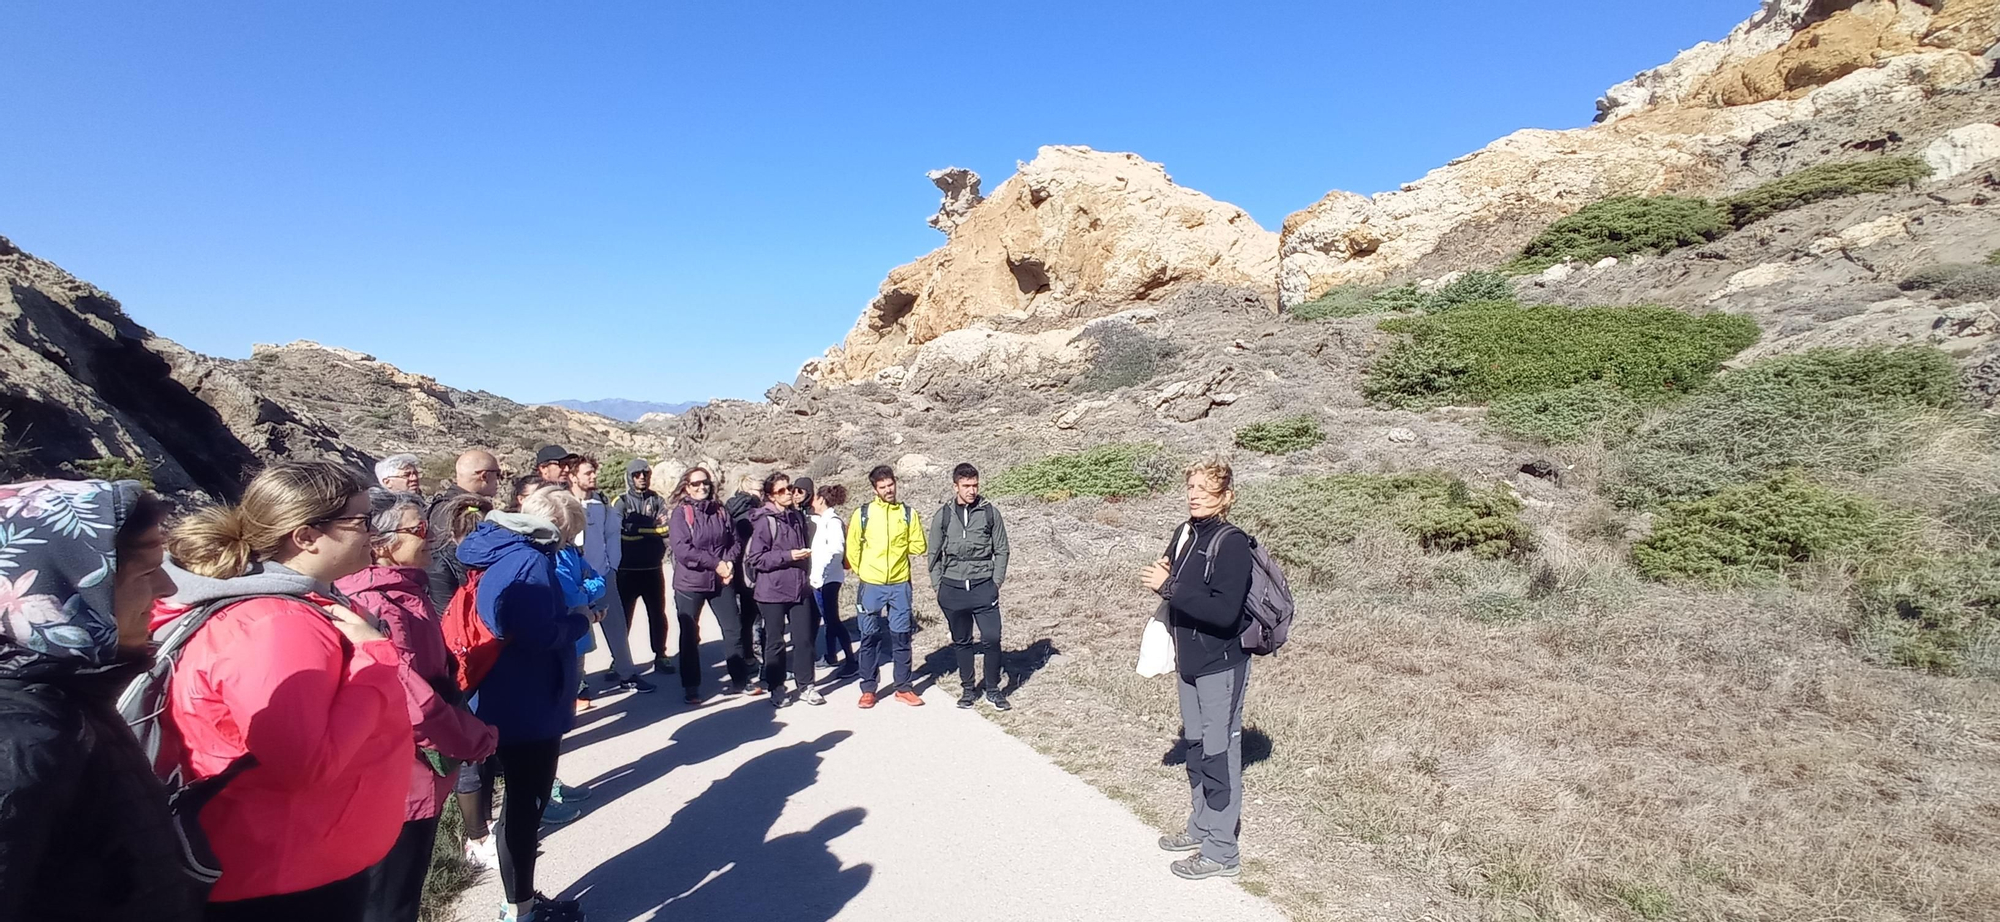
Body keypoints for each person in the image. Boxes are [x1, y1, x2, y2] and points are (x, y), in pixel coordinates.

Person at [151, 460, 412, 919]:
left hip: (288, 860)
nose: (374, 533)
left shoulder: (278, 608)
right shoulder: (275, 624)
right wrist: (375, 658)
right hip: (281, 875)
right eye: (360, 521)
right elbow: (307, 763)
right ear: (306, 536)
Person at [0, 478, 203, 922]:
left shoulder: (69, 698)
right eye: (147, 571)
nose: (168, 589)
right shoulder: (23, 738)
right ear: (62, 589)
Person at [336, 490, 499, 922]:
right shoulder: (377, 603)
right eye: (418, 529)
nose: (430, 536)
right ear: (381, 544)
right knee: (390, 898)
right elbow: (408, 698)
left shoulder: (405, 591)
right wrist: (473, 739)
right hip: (398, 780)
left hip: (414, 777)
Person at [455, 498, 590, 922]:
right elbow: (535, 633)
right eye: (567, 536)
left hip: (505, 693)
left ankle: (520, 902)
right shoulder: (527, 560)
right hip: (526, 703)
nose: (565, 545)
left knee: (518, 804)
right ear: (554, 525)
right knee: (523, 808)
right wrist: (578, 621)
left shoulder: (497, 548)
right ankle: (521, 909)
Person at [1141, 459, 1253, 882]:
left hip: (1220, 664)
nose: (1194, 495)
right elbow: (1178, 581)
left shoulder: (1233, 543)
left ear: (1225, 497)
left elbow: (1224, 613)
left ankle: (1223, 851)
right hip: (1188, 660)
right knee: (1195, 746)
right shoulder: (1186, 533)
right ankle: (1201, 827)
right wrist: (1169, 574)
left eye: (1205, 490)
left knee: (1220, 753)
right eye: (1191, 487)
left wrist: (1168, 586)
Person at [927, 463, 1013, 711]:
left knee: (992, 638)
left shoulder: (989, 512)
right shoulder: (943, 515)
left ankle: (994, 690)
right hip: (952, 589)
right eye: (966, 486)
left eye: (975, 485)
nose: (971, 490)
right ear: (956, 486)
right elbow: (933, 554)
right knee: (962, 641)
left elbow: (1002, 549)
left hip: (983, 586)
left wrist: (995, 583)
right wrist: (938, 587)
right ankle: (967, 689)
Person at [665, 466, 751, 705]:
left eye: (705, 483)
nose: (701, 487)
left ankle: (740, 680)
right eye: (696, 484)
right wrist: (717, 564)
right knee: (690, 634)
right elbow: (683, 551)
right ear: (686, 487)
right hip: (690, 582)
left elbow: (735, 540)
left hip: (721, 580)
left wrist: (729, 563)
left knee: (733, 628)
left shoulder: (721, 511)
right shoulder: (681, 514)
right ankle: (691, 686)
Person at [845, 465, 928, 709]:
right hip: (871, 585)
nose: (888, 490)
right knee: (869, 636)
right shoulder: (863, 514)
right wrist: (864, 571)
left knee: (902, 637)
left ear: (895, 483)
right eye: (882, 487)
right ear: (874, 489)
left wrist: (904, 548)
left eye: (890, 485)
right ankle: (868, 689)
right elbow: (852, 548)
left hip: (900, 583)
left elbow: (919, 545)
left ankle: (903, 687)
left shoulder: (908, 514)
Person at [570, 457, 650, 693]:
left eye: (594, 472)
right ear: (573, 477)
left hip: (602, 575)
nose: (593, 477)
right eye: (587, 473)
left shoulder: (601, 504)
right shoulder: (563, 503)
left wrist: (612, 565)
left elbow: (612, 535)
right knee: (577, 631)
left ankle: (627, 674)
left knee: (616, 627)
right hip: (574, 579)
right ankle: (577, 684)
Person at [744, 472, 822, 708]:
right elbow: (756, 558)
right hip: (772, 591)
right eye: (781, 490)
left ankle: (806, 685)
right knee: (775, 642)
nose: (788, 492)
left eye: (788, 488)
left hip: (799, 587)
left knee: (804, 639)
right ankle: (776, 687)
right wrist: (788, 556)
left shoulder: (796, 517)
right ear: (770, 496)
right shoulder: (764, 521)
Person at [610, 459, 675, 675]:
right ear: (630, 476)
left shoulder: (657, 500)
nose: (642, 477)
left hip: (652, 569)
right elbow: (620, 531)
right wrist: (650, 529)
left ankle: (661, 655)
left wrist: (637, 529)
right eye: (637, 474)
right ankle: (617, 660)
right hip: (627, 571)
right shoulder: (620, 502)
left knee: (658, 615)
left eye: (645, 473)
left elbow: (666, 529)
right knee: (623, 618)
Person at [807, 482, 855, 675]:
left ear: (821, 499)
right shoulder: (823, 520)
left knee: (833, 620)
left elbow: (835, 550)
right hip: (822, 579)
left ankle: (851, 661)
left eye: (815, 498)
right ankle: (831, 655)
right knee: (829, 619)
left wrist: (820, 574)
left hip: (828, 580)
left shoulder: (833, 522)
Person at [431, 449, 502, 510]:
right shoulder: (465, 512)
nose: (499, 480)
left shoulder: (441, 507)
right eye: (497, 474)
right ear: (484, 476)